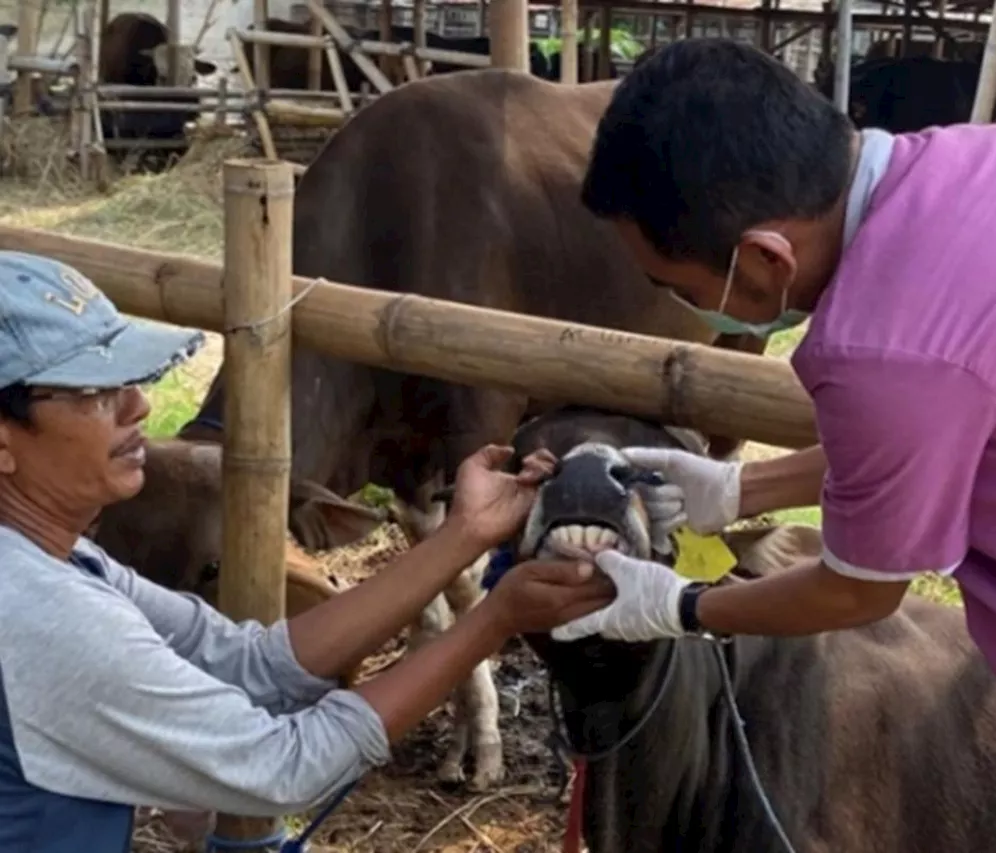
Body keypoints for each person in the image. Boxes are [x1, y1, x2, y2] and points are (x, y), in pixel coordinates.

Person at [548, 38, 996, 852]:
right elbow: (954, 428)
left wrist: (678, 605)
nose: (686, 304)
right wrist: (739, 490)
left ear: (763, 257)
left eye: (678, 288)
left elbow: (857, 592)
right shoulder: (973, 164)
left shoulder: (883, 345)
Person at [0, 250, 615, 853]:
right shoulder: (43, 615)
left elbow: (251, 663)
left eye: (130, 380)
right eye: (93, 391)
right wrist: (495, 619)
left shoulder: (58, 558)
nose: (140, 406)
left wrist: (464, 535)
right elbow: (282, 765)